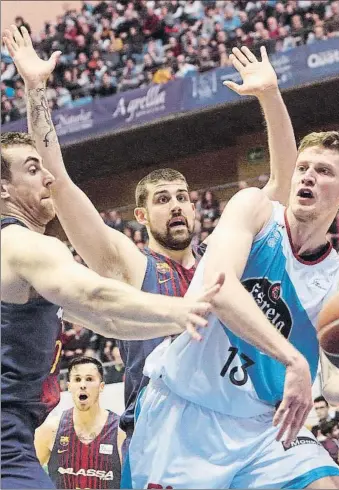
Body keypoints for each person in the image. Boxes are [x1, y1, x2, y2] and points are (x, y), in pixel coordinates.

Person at [3, 25, 296, 462]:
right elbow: (56, 180)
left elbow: (281, 186)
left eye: (182, 198)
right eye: (163, 200)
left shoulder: (223, 255)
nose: (176, 207)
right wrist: (35, 89)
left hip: (236, 425)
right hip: (163, 433)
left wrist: (271, 97)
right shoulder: (128, 262)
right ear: (141, 217)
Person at [124, 45, 339, 486]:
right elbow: (218, 286)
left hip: (263, 429)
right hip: (185, 411)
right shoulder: (253, 210)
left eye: (324, 172)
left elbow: (331, 378)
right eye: (303, 167)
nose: (307, 176)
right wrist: (292, 359)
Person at [0, 129, 221, 490]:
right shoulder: (26, 245)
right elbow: (97, 296)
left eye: (183, 197)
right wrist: (185, 311)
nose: (48, 177)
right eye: (33, 169)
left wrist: (181, 323)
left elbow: (111, 321)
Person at [35, 356, 124, 489]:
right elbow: (25, 474)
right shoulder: (50, 429)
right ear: (69, 386)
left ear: (101, 386)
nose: (83, 385)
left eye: (89, 379)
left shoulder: (120, 431)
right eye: (77, 379)